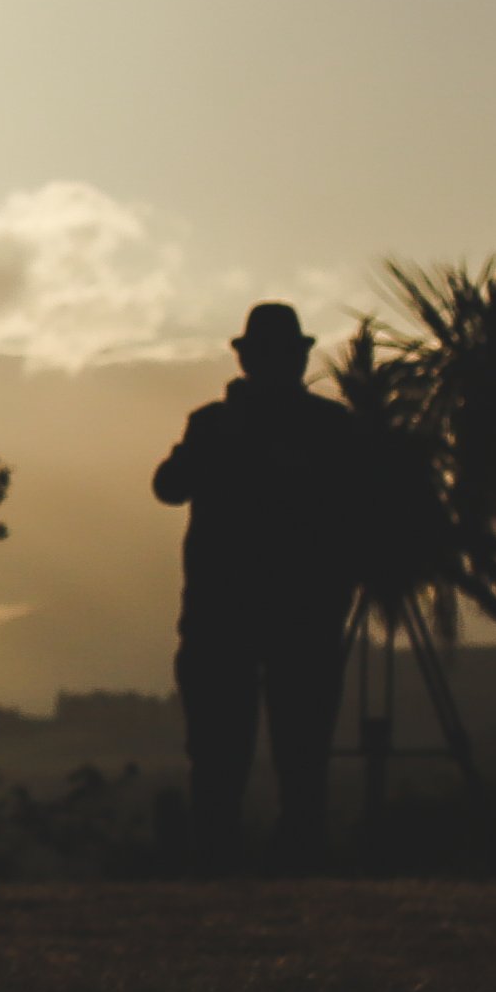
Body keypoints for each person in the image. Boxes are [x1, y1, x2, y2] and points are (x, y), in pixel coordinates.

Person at [153, 302, 380, 866]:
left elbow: (168, 485)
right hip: (276, 610)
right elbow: (170, 485)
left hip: (240, 609)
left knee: (241, 750)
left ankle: (233, 857)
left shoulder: (227, 425)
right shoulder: (321, 428)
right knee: (276, 749)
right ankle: (276, 856)